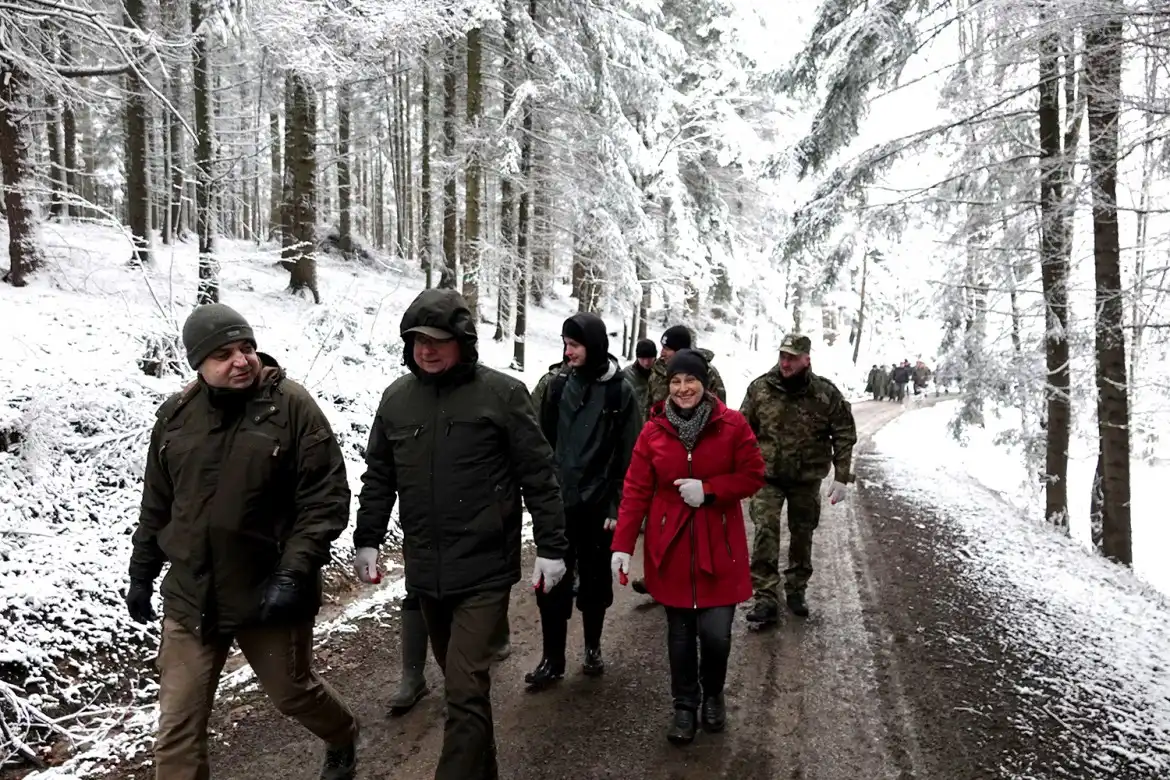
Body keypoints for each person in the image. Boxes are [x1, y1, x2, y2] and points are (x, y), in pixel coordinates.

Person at [127, 303, 358, 780]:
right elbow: (157, 504)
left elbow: (326, 497)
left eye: (246, 347)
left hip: (266, 591)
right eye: (223, 354)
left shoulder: (291, 407)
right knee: (177, 728)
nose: (241, 360)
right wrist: (142, 573)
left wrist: (293, 572)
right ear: (198, 363)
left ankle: (343, 733)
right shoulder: (175, 417)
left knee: (293, 693)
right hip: (192, 593)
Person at [351, 289, 568, 780]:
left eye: (438, 340)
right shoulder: (397, 400)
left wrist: (552, 547)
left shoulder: (502, 394)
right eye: (418, 340)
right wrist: (367, 538)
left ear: (463, 342)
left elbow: (539, 474)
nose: (426, 350)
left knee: (464, 688)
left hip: (484, 567)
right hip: (425, 568)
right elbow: (379, 476)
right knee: (464, 688)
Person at [612, 349, 765, 744]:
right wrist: (622, 545)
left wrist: (710, 490)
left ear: (705, 383)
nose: (683, 388)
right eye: (676, 381)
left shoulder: (732, 425)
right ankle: (684, 704)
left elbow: (753, 475)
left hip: (721, 543)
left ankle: (712, 693)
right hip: (671, 545)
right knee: (679, 636)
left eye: (690, 380)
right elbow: (636, 490)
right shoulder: (653, 431)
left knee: (716, 635)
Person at [525, 313, 641, 689]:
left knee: (594, 583)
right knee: (551, 581)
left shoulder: (620, 392)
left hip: (598, 509)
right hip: (558, 506)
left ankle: (592, 647)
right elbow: (538, 444)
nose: (567, 352)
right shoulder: (556, 385)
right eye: (565, 344)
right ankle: (552, 659)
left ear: (593, 345)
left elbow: (632, 456)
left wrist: (617, 506)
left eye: (574, 345)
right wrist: (541, 494)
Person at [740, 334, 857, 625]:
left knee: (802, 533)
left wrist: (842, 476)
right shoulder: (760, 389)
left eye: (792, 358)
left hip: (806, 478)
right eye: (783, 356)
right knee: (765, 530)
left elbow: (843, 433)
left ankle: (796, 589)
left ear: (806, 359)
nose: (785, 363)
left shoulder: (825, 394)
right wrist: (738, 469)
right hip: (767, 476)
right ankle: (765, 595)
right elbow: (741, 430)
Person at [646, 325, 727, 408]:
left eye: (667, 349)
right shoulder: (658, 370)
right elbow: (648, 407)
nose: (662, 353)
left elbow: (720, 410)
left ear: (680, 351)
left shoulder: (706, 372)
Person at [622, 338, 657, 422]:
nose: (646, 362)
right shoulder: (626, 375)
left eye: (649, 358)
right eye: (642, 358)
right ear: (637, 357)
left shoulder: (662, 374)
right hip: (635, 423)